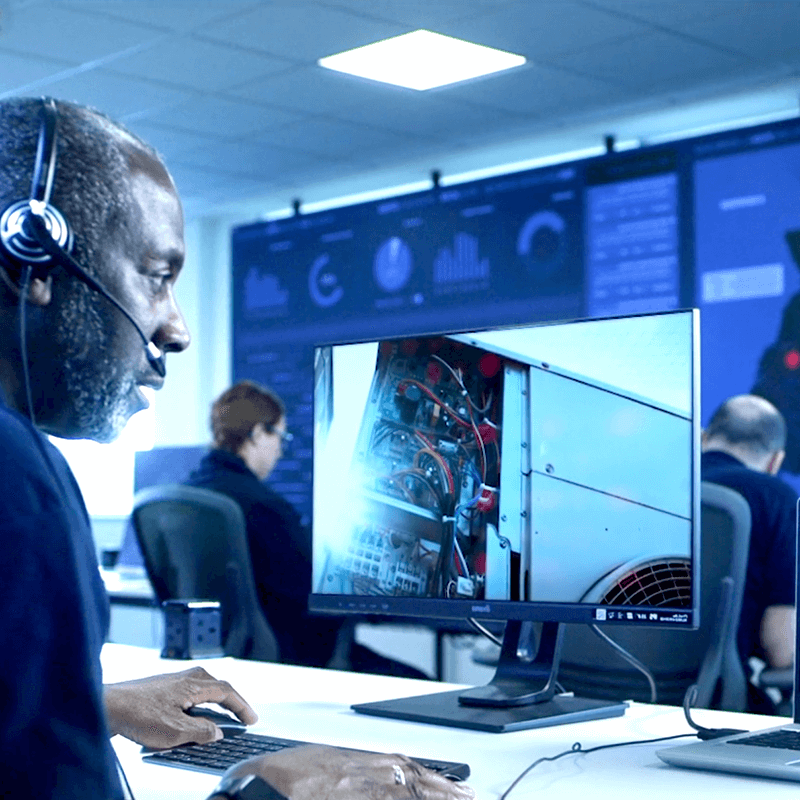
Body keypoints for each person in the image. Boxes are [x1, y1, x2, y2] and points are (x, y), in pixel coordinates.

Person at [0, 97, 472, 800]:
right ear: (35, 253)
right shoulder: (18, 479)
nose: (177, 330)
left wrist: (82, 703)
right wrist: (269, 788)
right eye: (158, 277)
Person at [186, 380, 429, 678]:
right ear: (258, 433)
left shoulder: (187, 495)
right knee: (420, 681)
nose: (280, 452)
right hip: (290, 660)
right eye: (279, 436)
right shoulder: (264, 507)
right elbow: (310, 593)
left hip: (216, 661)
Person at [701, 395, 797, 701]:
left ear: (704, 438)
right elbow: (780, 649)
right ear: (775, 461)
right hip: (713, 704)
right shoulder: (778, 500)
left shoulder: (656, 483)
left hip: (605, 693)